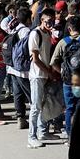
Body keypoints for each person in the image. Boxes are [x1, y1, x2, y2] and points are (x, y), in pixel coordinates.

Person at [50, 16, 80, 136]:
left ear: (69, 28)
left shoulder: (63, 42)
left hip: (68, 81)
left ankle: (70, 135)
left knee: (70, 108)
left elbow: (53, 62)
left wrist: (62, 72)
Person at [27, 8, 60, 148]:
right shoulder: (35, 34)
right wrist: (48, 72)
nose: (51, 23)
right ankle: (31, 137)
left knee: (43, 104)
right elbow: (35, 59)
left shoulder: (47, 34)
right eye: (48, 21)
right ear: (42, 20)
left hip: (45, 75)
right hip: (37, 76)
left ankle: (42, 132)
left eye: (53, 21)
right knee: (35, 107)